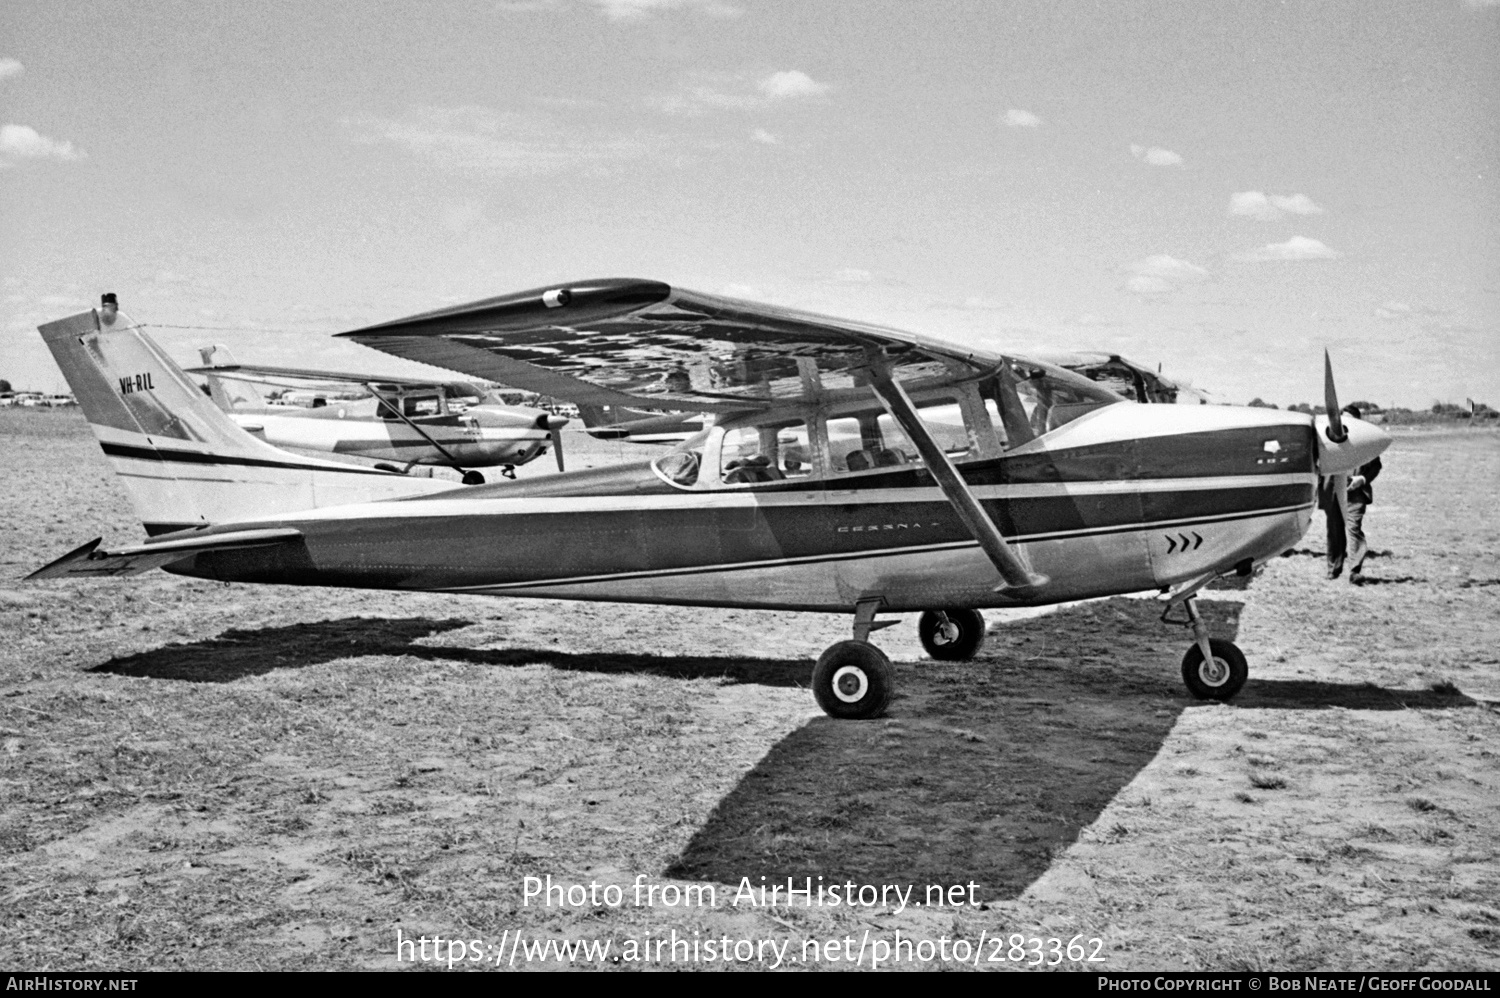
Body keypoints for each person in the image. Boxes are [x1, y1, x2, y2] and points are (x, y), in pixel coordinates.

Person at [1320, 405, 1382, 583]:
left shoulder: (1365, 441)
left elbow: (1376, 465)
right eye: (1343, 419)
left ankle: (1355, 570)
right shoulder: (1330, 438)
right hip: (1333, 492)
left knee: (1353, 529)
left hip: (1356, 494)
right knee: (1334, 531)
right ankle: (1333, 569)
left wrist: (1362, 479)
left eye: (1351, 419)